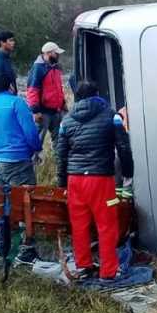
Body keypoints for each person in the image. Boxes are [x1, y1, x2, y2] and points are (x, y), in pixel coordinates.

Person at [54, 80, 133, 281]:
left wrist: (62, 183)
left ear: (77, 98)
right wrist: (128, 172)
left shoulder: (66, 121)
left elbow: (60, 155)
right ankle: (108, 272)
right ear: (97, 94)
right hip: (101, 181)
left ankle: (84, 266)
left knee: (79, 224)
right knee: (107, 224)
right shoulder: (111, 115)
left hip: (75, 181)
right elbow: (123, 146)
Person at [0, 73, 42, 264]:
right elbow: (30, 131)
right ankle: (27, 248)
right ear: (11, 86)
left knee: (2, 203)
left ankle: (1, 247)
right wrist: (36, 149)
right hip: (18, 160)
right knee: (26, 202)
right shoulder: (17, 103)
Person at [27, 42, 67, 152]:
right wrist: (35, 111)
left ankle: (59, 165)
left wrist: (63, 104)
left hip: (56, 111)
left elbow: (58, 88)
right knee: (37, 141)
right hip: (43, 113)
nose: (58, 56)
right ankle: (33, 164)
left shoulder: (56, 67)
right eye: (56, 53)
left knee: (59, 142)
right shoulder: (38, 68)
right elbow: (32, 91)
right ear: (48, 53)